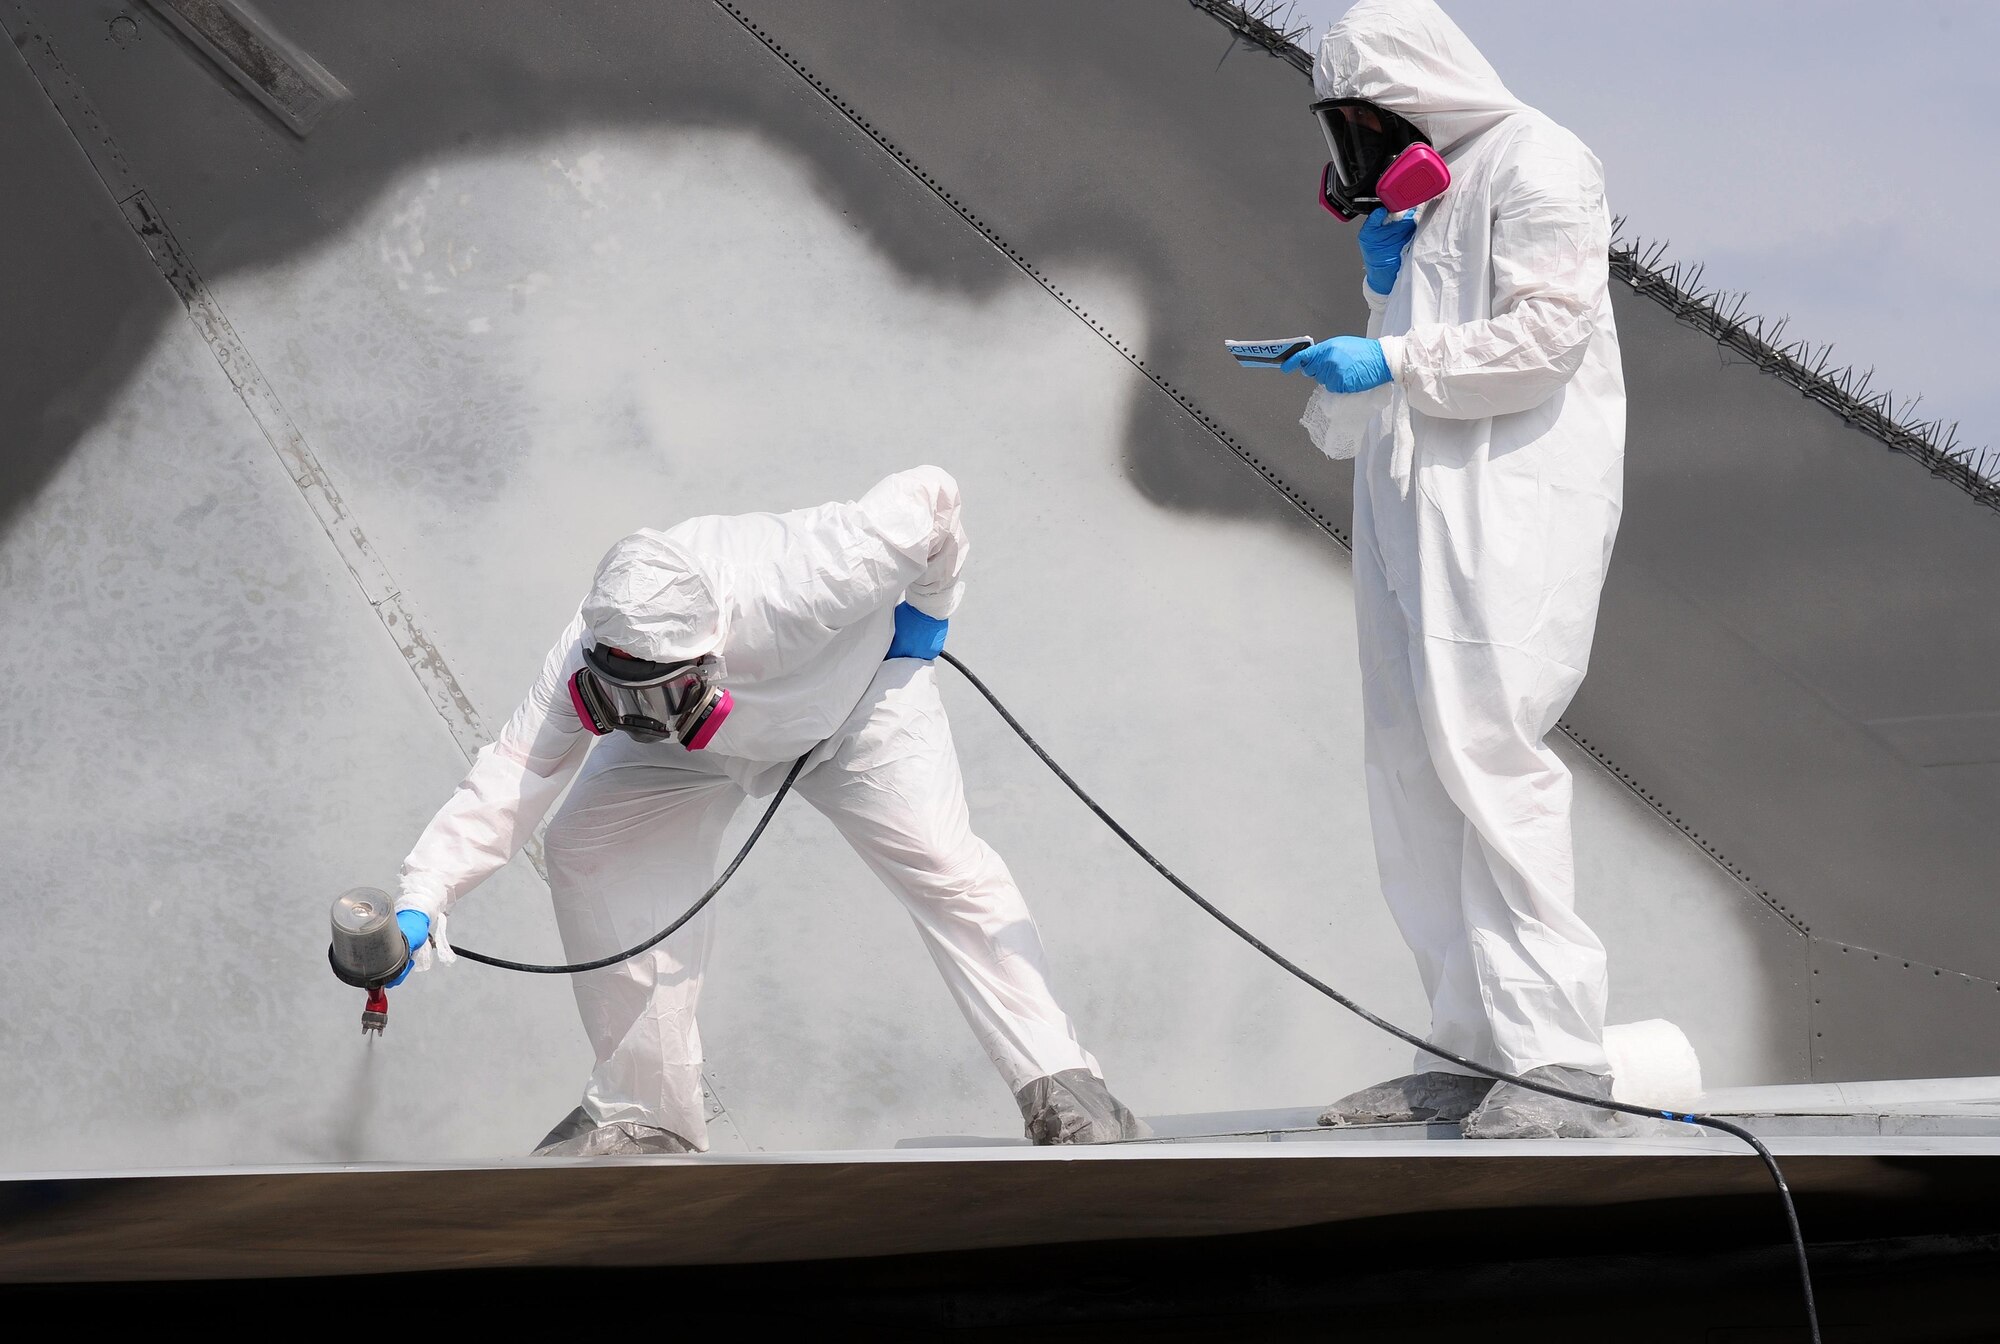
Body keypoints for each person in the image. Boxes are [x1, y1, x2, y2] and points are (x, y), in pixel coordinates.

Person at [386, 466, 1146, 1153]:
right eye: (624, 696)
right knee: (587, 849)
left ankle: (1065, 1086)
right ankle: (647, 1115)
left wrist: (931, 604)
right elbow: (514, 774)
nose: (643, 714)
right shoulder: (586, 654)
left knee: (945, 869)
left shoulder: (806, 578)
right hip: (694, 751)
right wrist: (423, 897)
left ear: (712, 646)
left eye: (665, 692)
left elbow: (934, 493)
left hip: (856, 711)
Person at [1285, 0, 1629, 1138]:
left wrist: (1382, 349)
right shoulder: (1426, 200)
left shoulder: (1539, 160)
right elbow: (1395, 376)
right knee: (1410, 772)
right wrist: (1379, 300)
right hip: (1407, 512)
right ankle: (1466, 1051)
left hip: (1504, 513)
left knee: (1487, 758)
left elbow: (1542, 342)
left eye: (1361, 120)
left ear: (1415, 90)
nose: (1355, 150)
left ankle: (1559, 1060)